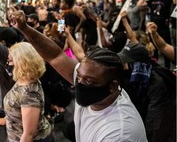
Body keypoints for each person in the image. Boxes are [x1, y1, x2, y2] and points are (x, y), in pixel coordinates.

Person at [11, 10, 147, 142]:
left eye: (88, 81)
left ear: (113, 86)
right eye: (79, 76)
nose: (79, 82)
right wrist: (24, 28)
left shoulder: (118, 134)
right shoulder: (91, 81)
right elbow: (55, 56)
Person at [0, 42, 54, 142]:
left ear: (22, 61)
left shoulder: (29, 95)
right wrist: (4, 120)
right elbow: (17, 110)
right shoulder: (24, 78)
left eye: (12, 55)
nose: (9, 56)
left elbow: (28, 134)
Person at [117, 42, 176, 141]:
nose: (124, 67)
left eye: (127, 63)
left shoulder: (157, 83)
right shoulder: (134, 79)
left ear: (137, 65)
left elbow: (155, 123)